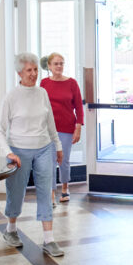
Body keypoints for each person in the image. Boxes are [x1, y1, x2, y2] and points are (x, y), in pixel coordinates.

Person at [0, 52, 65, 257]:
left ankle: (49, 240)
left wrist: (58, 146)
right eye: (29, 70)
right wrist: (9, 153)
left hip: (44, 148)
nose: (33, 74)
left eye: (35, 70)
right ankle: (11, 230)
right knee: (16, 193)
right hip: (18, 151)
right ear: (19, 73)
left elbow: (50, 124)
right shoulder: (11, 96)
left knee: (46, 192)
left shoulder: (42, 93)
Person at [40, 52, 84, 204]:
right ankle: (52, 192)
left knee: (63, 160)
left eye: (61, 63)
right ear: (50, 66)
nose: (59, 66)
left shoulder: (72, 83)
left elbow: (79, 107)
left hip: (66, 128)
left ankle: (65, 188)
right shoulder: (44, 83)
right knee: (50, 161)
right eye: (56, 63)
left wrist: (78, 127)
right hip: (48, 129)